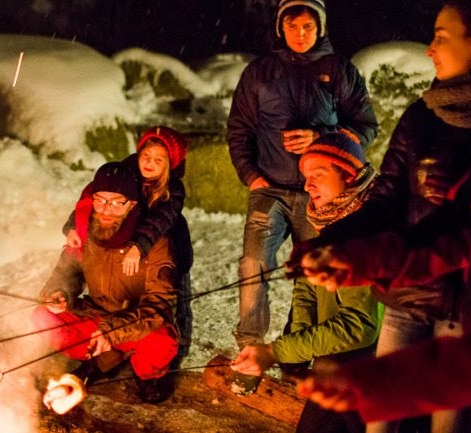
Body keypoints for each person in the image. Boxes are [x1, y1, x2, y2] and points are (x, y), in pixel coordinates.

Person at [292, 1, 471, 431]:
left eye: (440, 36)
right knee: (383, 417)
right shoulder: (424, 115)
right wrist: (338, 245)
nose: (429, 48)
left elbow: (467, 229)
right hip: (410, 295)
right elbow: (390, 202)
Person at [226, 0, 378, 378]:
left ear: (320, 28)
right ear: (281, 28)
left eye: (308, 26)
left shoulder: (338, 70)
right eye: (292, 26)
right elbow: (239, 129)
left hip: (322, 195)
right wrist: (251, 177)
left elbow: (366, 128)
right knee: (254, 260)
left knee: (313, 276)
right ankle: (250, 349)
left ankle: (295, 354)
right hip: (271, 188)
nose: (300, 33)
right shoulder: (260, 72)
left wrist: (320, 136)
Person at [232, 132, 380, 433]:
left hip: (366, 369)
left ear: (349, 176)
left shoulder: (366, 230)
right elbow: (306, 291)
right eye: (305, 176)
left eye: (318, 174)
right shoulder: (326, 221)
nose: (307, 184)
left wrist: (276, 352)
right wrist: (297, 352)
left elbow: (360, 326)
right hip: (333, 361)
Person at [33, 162, 180, 404]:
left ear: (131, 204)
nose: (106, 210)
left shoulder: (154, 241)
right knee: (43, 317)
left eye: (115, 202)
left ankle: (145, 373)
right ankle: (106, 358)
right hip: (97, 316)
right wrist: (59, 293)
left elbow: (160, 305)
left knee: (162, 340)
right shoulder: (84, 231)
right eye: (100, 200)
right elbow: (67, 273)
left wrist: (113, 332)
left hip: (135, 323)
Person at [60, 125, 193, 360]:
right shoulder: (125, 173)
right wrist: (73, 226)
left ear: (170, 163)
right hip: (133, 241)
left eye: (158, 160)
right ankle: (115, 348)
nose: (149, 163)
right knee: (127, 299)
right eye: (146, 156)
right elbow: (91, 198)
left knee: (173, 303)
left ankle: (175, 354)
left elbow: (159, 221)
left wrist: (139, 245)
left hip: (167, 246)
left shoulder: (172, 188)